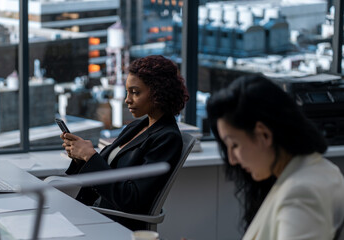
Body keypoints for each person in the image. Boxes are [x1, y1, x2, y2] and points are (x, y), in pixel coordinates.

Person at [206, 74, 344, 240]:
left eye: (234, 145)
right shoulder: (321, 170)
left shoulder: (300, 193)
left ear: (264, 134)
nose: (232, 159)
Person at [60, 55, 189, 230]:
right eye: (128, 92)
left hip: (114, 223)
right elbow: (105, 168)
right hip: (92, 212)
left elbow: (130, 199)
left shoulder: (167, 138)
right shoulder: (136, 126)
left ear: (158, 93)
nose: (127, 99)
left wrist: (90, 156)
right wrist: (80, 156)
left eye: (135, 92)